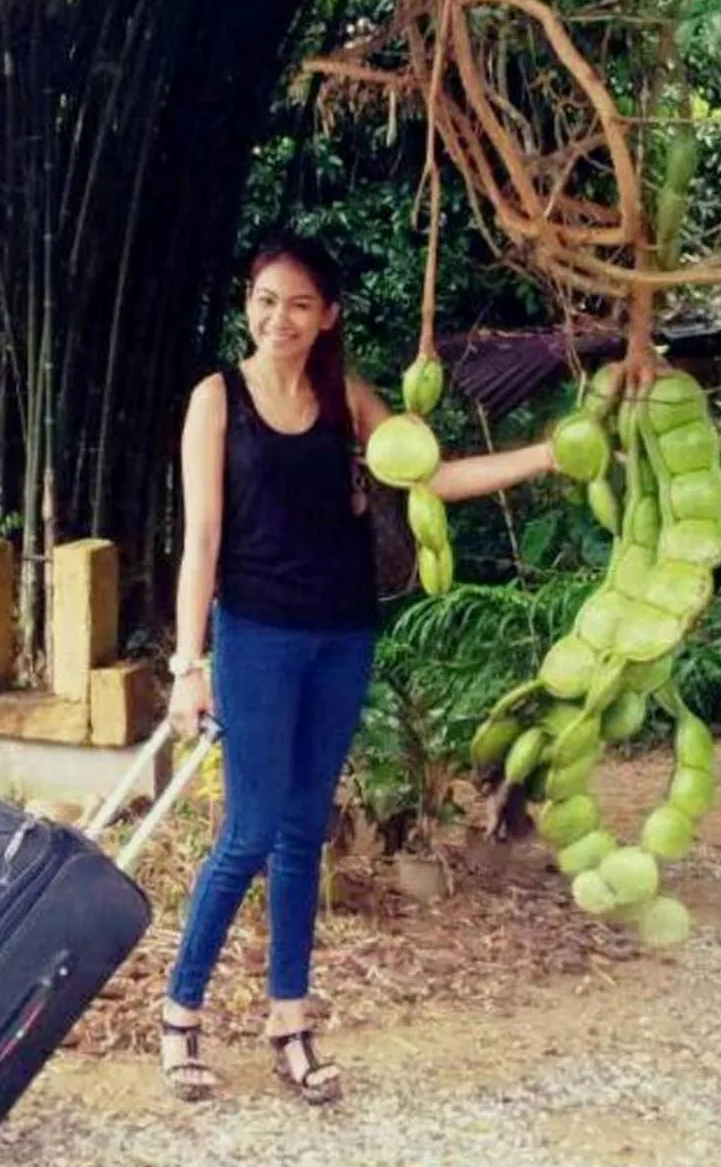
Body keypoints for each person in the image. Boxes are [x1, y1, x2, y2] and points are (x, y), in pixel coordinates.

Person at [159, 232, 555, 1105]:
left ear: (327, 314)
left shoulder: (347, 399)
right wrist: (191, 663)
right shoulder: (216, 399)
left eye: (300, 303)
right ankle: (182, 1008)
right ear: (248, 304)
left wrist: (548, 454)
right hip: (255, 633)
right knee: (251, 830)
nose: (279, 318)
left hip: (342, 634)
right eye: (266, 299)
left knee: (304, 832)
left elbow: (436, 476)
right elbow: (202, 541)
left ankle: (290, 1022)